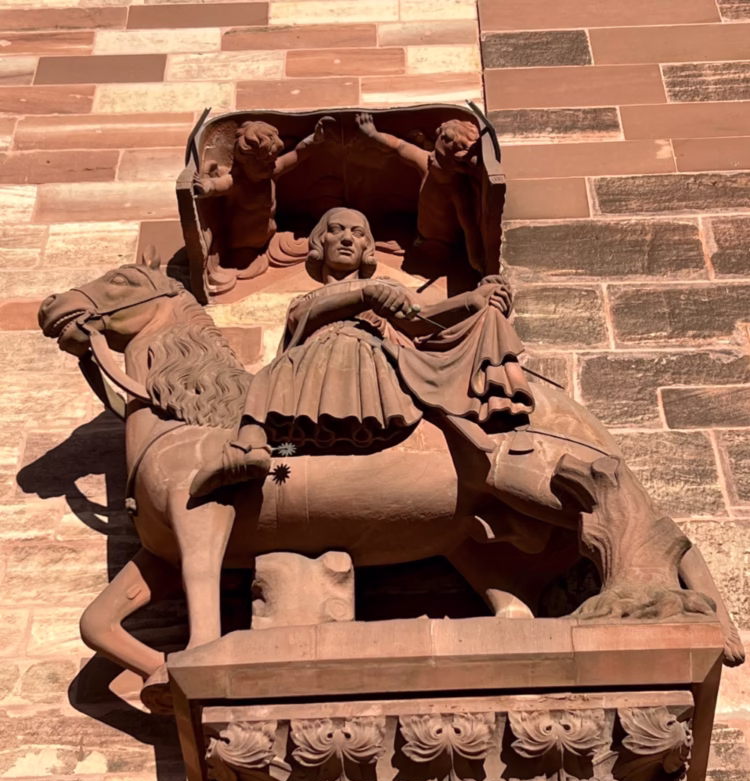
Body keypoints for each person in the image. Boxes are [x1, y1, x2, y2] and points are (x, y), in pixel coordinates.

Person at [190, 207, 533, 498]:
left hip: (369, 364)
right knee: (270, 374)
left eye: (357, 234)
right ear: (319, 244)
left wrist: (471, 300)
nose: (346, 238)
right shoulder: (308, 300)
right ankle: (248, 449)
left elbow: (422, 320)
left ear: (367, 247)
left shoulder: (389, 289)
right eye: (335, 231)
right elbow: (304, 317)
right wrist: (364, 297)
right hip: (316, 366)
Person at [193, 117, 332, 280]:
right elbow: (217, 186)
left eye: (272, 161)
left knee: (308, 242)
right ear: (246, 161)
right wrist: (206, 185)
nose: (272, 166)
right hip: (243, 250)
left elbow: (296, 154)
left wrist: (314, 139)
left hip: (271, 240)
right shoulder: (236, 182)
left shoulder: (271, 172)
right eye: (265, 163)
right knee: (244, 276)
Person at [355, 112, 485, 272]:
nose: (431, 158)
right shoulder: (427, 162)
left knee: (417, 268)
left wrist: (478, 265)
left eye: (437, 157)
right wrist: (372, 134)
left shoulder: (457, 192)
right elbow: (398, 145)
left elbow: (470, 230)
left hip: (439, 245)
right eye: (433, 154)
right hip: (419, 233)